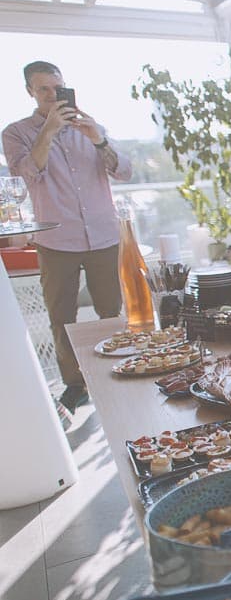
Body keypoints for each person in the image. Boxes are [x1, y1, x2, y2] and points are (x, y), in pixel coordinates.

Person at [2, 61, 132, 412]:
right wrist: (48, 131)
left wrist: (98, 139)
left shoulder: (90, 127)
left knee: (111, 311)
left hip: (104, 235)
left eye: (56, 87)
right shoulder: (15, 133)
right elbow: (27, 174)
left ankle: (116, 374)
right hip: (56, 240)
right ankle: (75, 386)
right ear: (29, 91)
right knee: (62, 316)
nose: (50, 94)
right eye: (42, 88)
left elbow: (125, 170)